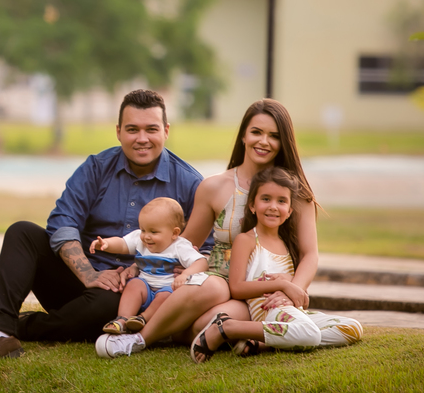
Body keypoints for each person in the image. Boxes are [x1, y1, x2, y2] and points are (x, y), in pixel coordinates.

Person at [0, 89, 221, 371]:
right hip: (77, 279)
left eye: (151, 129)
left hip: (138, 296)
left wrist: (182, 269)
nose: (142, 138)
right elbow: (62, 221)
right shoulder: (96, 167)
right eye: (132, 129)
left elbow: (207, 248)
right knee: (22, 232)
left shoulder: (190, 183)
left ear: (166, 131)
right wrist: (89, 274)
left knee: (107, 306)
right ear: (118, 131)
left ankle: (13, 326)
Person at [94, 98, 316, 358]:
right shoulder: (214, 187)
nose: (263, 141)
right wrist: (142, 263)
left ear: (284, 141)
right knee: (208, 298)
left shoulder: (295, 194)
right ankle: (137, 340)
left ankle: (144, 337)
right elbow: (184, 243)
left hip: (265, 292)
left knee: (201, 326)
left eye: (274, 136)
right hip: (219, 285)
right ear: (244, 135)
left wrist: (292, 291)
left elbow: (310, 254)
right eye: (256, 132)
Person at [190, 167, 363, 361]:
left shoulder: (287, 244)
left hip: (292, 312)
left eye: (281, 201)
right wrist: (282, 284)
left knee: (352, 328)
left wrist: (293, 287)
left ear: (289, 211)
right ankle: (227, 327)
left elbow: (297, 292)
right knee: (310, 334)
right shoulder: (246, 240)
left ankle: (262, 343)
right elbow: (236, 288)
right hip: (268, 312)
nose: (273, 206)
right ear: (252, 205)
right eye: (266, 199)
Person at [89, 197, 212, 335]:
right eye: (143, 230)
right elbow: (122, 244)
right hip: (145, 287)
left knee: (167, 297)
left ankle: (142, 319)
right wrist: (106, 244)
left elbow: (201, 262)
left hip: (167, 289)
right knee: (134, 284)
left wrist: (185, 274)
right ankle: (122, 320)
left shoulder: (180, 246)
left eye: (153, 232)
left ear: (174, 233)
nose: (146, 236)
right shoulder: (140, 240)